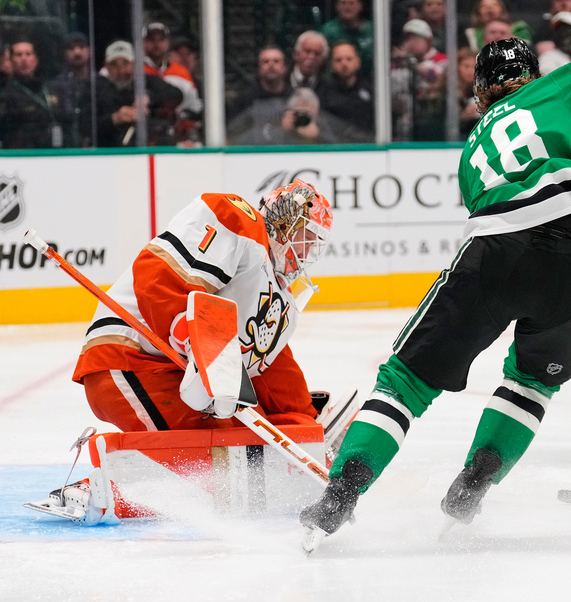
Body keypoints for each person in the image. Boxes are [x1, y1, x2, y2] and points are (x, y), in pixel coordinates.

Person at [299, 38, 571, 550]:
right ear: (535, 75)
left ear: (480, 93)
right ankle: (471, 489)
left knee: (405, 381)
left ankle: (338, 497)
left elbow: (520, 217)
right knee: (531, 386)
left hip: (497, 252)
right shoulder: (563, 87)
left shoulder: (472, 151)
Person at [35, 178, 343, 524]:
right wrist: (190, 336)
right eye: (306, 236)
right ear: (284, 223)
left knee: (237, 447)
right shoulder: (237, 219)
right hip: (129, 359)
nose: (306, 251)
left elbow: (271, 370)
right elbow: (156, 278)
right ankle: (101, 486)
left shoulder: (277, 296)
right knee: (223, 457)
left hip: (174, 376)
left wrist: (306, 427)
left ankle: (122, 480)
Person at [94, 40, 183, 147]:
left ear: (135, 64)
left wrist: (149, 98)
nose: (121, 70)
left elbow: (177, 94)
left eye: (126, 64)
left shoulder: (147, 81)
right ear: (106, 66)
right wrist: (115, 118)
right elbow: (87, 125)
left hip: (151, 146)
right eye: (114, 65)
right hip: (111, 151)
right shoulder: (97, 89)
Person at [0, 39, 60, 149]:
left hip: (49, 151)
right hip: (19, 155)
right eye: (18, 55)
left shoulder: (48, 88)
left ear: (36, 59)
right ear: (10, 60)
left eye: (28, 54)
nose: (24, 59)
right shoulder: (5, 92)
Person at [226, 46, 292, 143]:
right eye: (265, 62)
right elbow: (232, 134)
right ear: (258, 69)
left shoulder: (294, 97)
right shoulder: (245, 99)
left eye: (276, 61)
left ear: (284, 68)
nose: (271, 65)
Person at [318, 41, 375, 142]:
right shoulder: (323, 92)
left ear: (358, 62)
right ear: (332, 64)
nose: (344, 64)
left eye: (349, 59)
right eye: (338, 60)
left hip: (367, 147)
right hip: (335, 148)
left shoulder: (372, 90)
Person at [142, 22, 202, 117]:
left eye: (161, 40)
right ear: (143, 43)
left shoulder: (181, 71)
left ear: (168, 43)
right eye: (151, 40)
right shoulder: (136, 71)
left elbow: (194, 106)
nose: (157, 44)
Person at [49, 32, 94, 148]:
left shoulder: (99, 82)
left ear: (89, 51)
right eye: (71, 48)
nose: (77, 52)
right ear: (64, 54)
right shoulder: (56, 85)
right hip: (67, 147)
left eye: (81, 47)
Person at [319, 0, 375, 75]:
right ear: (337, 6)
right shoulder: (328, 31)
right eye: (343, 3)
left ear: (360, 6)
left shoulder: (372, 30)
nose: (347, 7)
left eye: (351, 3)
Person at [464, 0, 534, 53]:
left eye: (494, 5)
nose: (489, 8)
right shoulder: (471, 34)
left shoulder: (519, 28)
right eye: (484, 6)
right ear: (478, 13)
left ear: (502, 10)